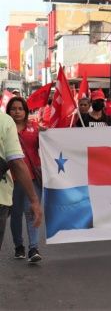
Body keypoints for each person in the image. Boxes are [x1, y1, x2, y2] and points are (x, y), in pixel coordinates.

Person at [5, 97, 44, 262]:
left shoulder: (35, 127)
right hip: (12, 179)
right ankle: (18, 246)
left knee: (31, 212)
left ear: (26, 111)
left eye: (20, 108)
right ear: (8, 111)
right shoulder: (5, 128)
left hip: (33, 178)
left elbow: (47, 144)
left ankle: (33, 248)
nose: (17, 111)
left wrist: (48, 134)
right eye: (13, 108)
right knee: (15, 215)